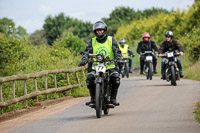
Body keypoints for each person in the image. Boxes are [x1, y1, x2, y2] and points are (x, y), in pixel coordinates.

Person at [79, 20, 121, 106]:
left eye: (101, 30)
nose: (99, 32)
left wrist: (118, 57)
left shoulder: (111, 40)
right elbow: (87, 51)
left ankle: (113, 99)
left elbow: (116, 50)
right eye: (97, 30)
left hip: (110, 66)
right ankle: (93, 99)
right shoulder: (92, 41)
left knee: (116, 79)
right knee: (89, 79)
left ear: (104, 30)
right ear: (95, 32)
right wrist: (84, 59)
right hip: (95, 66)